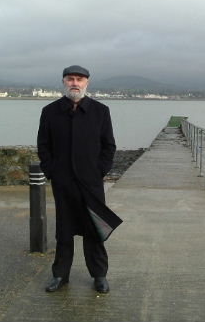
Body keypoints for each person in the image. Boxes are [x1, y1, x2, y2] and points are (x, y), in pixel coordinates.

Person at [37, 65, 122, 294]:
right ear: (64, 82)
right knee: (64, 231)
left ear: (87, 83)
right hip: (63, 182)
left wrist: (99, 171)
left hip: (91, 182)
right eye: (71, 79)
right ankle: (60, 275)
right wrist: (52, 171)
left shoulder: (100, 111)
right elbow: (43, 146)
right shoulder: (50, 111)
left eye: (79, 80)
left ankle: (99, 275)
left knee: (94, 229)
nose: (75, 83)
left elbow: (109, 146)